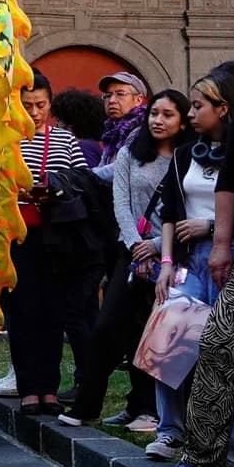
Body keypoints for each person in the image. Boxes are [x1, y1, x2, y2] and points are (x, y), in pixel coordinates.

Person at [58, 89, 192, 431]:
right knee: (107, 327)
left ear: (182, 120)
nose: (159, 120)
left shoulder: (187, 158)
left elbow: (183, 210)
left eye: (168, 115)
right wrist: (135, 244)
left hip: (169, 254)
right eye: (155, 114)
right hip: (128, 250)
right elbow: (120, 200)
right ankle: (87, 405)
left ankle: (146, 409)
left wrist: (156, 247)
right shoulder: (132, 152)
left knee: (150, 332)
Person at [147, 71, 234, 462]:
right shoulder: (185, 153)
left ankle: (233, 441)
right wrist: (166, 262)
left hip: (230, 257)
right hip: (188, 261)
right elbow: (169, 211)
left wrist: (213, 227)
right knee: (167, 342)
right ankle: (170, 431)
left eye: (199, 105)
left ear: (223, 109)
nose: (191, 113)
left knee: (226, 351)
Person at [5, 70, 88, 416]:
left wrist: (51, 185)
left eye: (40, 105)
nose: (34, 112)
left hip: (55, 237)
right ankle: (28, 387)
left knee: (52, 312)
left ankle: (49, 389)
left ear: (50, 104)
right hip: (15, 236)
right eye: (27, 106)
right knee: (21, 313)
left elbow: (82, 179)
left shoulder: (65, 141)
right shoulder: (6, 140)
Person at [94, 71, 149, 181]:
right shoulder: (112, 131)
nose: (112, 101)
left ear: (138, 100)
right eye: (107, 96)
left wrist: (85, 176)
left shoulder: (144, 129)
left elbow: (122, 168)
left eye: (120, 94)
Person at [51, 88, 106, 168]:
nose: (55, 125)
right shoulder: (90, 145)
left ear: (70, 123)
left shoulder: (83, 148)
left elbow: (87, 177)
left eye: (59, 120)